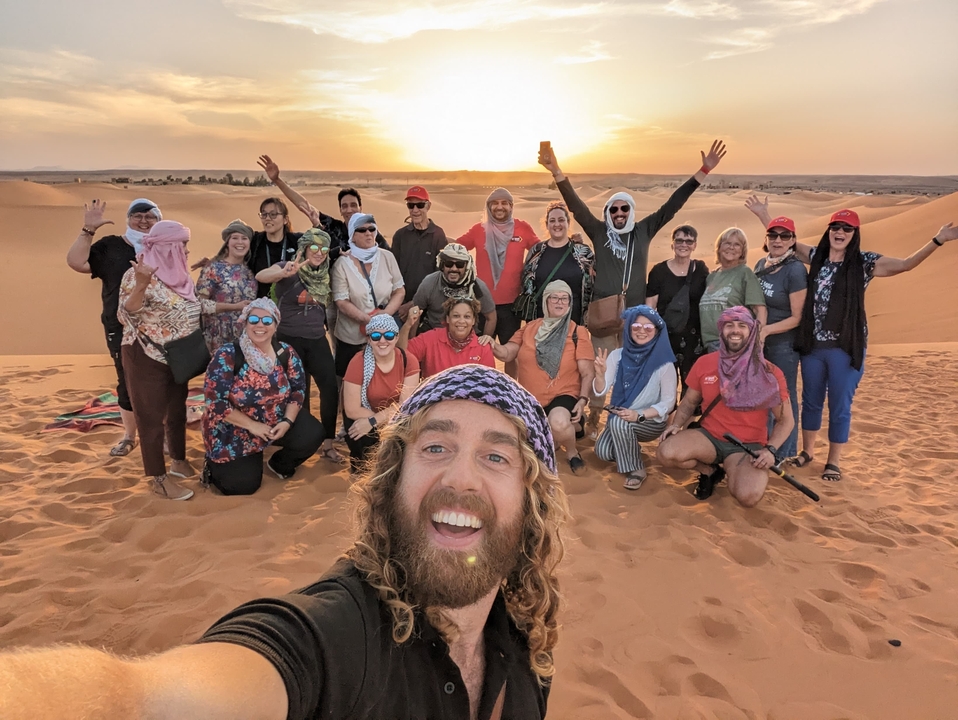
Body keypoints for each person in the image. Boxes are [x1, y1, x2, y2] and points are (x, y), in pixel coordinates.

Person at [0, 365, 570, 720]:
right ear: (392, 481)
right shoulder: (336, 634)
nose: (460, 479)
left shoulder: (528, 645)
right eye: (435, 448)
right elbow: (146, 699)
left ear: (533, 505)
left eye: (496, 457)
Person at [746, 197, 958, 481]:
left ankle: (833, 461)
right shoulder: (817, 255)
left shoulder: (864, 262)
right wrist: (764, 215)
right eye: (836, 227)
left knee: (839, 404)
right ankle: (807, 452)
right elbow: (784, 239)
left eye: (847, 228)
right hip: (812, 345)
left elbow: (906, 264)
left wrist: (938, 240)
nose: (840, 232)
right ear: (829, 230)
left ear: (854, 234)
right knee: (811, 401)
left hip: (845, 347)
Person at [539, 140, 726, 434]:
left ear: (631, 210)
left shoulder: (643, 231)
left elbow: (673, 205)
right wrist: (556, 171)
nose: (619, 213)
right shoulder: (599, 231)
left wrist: (703, 171)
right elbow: (575, 206)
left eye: (624, 208)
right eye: (613, 209)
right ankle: (595, 416)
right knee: (600, 366)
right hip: (603, 317)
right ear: (608, 212)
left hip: (634, 319)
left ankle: (628, 418)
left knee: (632, 368)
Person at [117, 220, 216, 501]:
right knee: (150, 417)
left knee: (176, 410)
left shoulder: (179, 274)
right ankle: (158, 479)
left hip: (177, 357)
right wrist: (141, 285)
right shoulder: (137, 273)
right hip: (146, 356)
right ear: (167, 246)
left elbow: (193, 305)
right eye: (182, 245)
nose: (187, 250)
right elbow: (125, 314)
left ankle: (178, 461)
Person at [656, 307, 793, 507]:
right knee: (666, 452)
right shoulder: (705, 363)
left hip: (748, 446)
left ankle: (736, 470)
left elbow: (786, 420)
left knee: (748, 496)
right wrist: (676, 425)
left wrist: (770, 451)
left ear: (752, 330)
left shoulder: (770, 372)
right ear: (721, 330)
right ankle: (710, 471)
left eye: (742, 325)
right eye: (729, 325)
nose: (735, 330)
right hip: (710, 438)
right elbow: (689, 402)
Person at [66, 198, 161, 458]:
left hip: (159, 326)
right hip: (119, 325)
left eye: (150, 216)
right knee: (126, 378)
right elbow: (76, 262)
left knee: (161, 379)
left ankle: (161, 434)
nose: (143, 220)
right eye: (137, 215)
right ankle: (130, 436)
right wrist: (88, 230)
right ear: (128, 218)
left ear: (158, 220)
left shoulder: (165, 247)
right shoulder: (111, 246)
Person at [201, 298, 324, 495]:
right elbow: (214, 402)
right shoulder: (228, 355)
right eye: (254, 320)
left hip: (274, 420)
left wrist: (287, 421)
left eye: (267, 321)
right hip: (236, 427)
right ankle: (214, 464)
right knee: (241, 486)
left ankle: (279, 464)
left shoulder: (285, 352)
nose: (260, 325)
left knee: (312, 434)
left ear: (275, 325)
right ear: (245, 323)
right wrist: (252, 426)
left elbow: (298, 390)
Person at [480, 281, 594, 473]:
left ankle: (572, 452)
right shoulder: (529, 329)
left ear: (570, 303)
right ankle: (571, 428)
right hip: (531, 398)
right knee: (517, 436)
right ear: (546, 301)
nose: (559, 302)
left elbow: (587, 372)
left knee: (558, 423)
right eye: (554, 298)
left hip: (564, 394)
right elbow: (507, 353)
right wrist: (492, 344)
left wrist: (582, 400)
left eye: (564, 298)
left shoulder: (577, 332)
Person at [254, 228, 343, 463]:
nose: (319, 252)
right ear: (304, 248)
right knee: (299, 392)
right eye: (314, 247)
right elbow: (262, 275)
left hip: (317, 339)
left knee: (329, 390)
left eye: (324, 248)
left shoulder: (326, 272)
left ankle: (328, 443)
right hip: (289, 341)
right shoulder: (289, 267)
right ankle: (303, 442)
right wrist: (282, 272)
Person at [592, 306, 677, 490]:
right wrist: (599, 375)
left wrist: (639, 414)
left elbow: (669, 403)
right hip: (623, 417)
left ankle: (637, 469)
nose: (641, 331)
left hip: (649, 421)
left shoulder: (664, 363)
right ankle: (631, 449)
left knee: (619, 422)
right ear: (629, 328)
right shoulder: (617, 356)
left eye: (648, 327)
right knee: (603, 452)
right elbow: (600, 390)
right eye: (636, 326)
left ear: (657, 331)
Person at [457, 187, 539, 375]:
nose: (499, 207)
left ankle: (509, 388)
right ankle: (479, 386)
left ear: (511, 206)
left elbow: (542, 249)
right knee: (478, 351)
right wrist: (436, 236)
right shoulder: (479, 230)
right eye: (494, 203)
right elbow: (457, 246)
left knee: (511, 354)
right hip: (481, 305)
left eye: (504, 203)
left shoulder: (522, 228)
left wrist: (571, 242)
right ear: (488, 206)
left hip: (511, 306)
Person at [749, 215, 807, 462]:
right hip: (760, 343)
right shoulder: (761, 264)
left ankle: (784, 452)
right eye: (773, 235)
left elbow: (797, 317)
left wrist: (767, 330)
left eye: (785, 236)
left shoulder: (795, 270)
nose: (778, 240)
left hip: (783, 345)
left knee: (784, 396)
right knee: (762, 396)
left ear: (793, 240)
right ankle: (763, 445)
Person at [256, 155, 389, 260]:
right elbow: (305, 206)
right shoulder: (333, 227)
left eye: (353, 205)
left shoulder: (371, 234)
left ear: (360, 208)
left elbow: (388, 259)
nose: (349, 210)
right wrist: (277, 180)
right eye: (344, 206)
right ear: (340, 211)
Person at [342, 314, 420, 472]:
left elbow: (405, 406)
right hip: (364, 412)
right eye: (376, 336)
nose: (382, 341)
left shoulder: (408, 361)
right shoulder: (358, 361)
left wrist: (374, 422)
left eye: (389, 335)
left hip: (396, 418)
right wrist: (377, 424)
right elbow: (351, 409)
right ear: (369, 339)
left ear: (396, 338)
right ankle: (360, 469)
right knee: (359, 435)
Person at [330, 213, 405, 379]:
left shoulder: (387, 257)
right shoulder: (342, 264)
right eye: (362, 230)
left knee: (382, 380)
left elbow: (399, 291)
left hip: (384, 336)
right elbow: (341, 301)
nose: (368, 233)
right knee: (349, 381)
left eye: (372, 229)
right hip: (351, 339)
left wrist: (384, 316)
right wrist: (368, 320)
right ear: (352, 235)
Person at [645, 224, 710, 390]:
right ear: (672, 244)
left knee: (693, 388)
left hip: (694, 340)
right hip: (666, 338)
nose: (684, 245)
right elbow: (650, 305)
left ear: (695, 245)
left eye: (689, 241)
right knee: (666, 387)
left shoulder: (700, 270)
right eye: (679, 240)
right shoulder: (659, 271)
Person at [519, 201, 595, 325]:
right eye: (552, 220)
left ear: (568, 222)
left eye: (561, 220)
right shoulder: (536, 251)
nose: (557, 224)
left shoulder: (583, 252)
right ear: (547, 224)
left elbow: (594, 285)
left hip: (574, 324)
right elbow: (525, 284)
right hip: (541, 324)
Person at [698, 228, 767, 352]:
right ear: (719, 247)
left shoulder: (745, 273)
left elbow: (759, 309)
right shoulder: (712, 276)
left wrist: (758, 339)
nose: (731, 247)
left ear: (742, 251)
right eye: (727, 243)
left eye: (737, 244)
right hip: (710, 343)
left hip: (734, 343)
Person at [195, 219, 258, 353]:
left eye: (244, 238)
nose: (240, 242)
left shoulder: (250, 269)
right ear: (227, 243)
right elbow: (199, 304)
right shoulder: (213, 268)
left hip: (246, 339)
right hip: (217, 338)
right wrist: (234, 307)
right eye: (235, 238)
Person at [410, 242, 496, 334]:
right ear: (442, 265)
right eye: (449, 264)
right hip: (434, 333)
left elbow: (491, 318)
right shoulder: (429, 282)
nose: (454, 269)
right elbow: (415, 314)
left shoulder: (477, 287)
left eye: (459, 265)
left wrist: (485, 340)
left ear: (466, 267)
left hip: (466, 335)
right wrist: (411, 341)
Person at [400, 297, 496, 378]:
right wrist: (408, 325)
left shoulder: (483, 347)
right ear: (448, 319)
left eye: (467, 316)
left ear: (473, 320)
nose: (461, 321)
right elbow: (401, 355)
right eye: (456, 316)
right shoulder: (430, 338)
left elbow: (489, 384)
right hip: (434, 394)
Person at [390, 185, 449, 317]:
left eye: (420, 205)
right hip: (401, 305)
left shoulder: (438, 235)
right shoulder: (400, 235)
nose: (415, 210)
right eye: (411, 205)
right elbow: (393, 272)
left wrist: (414, 303)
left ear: (428, 206)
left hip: (429, 307)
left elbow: (440, 276)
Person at [246, 197, 303, 297]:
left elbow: (322, 240)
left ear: (285, 219)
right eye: (264, 214)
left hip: (290, 302)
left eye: (273, 214)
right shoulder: (254, 241)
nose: (267, 218)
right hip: (261, 302)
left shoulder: (297, 241)